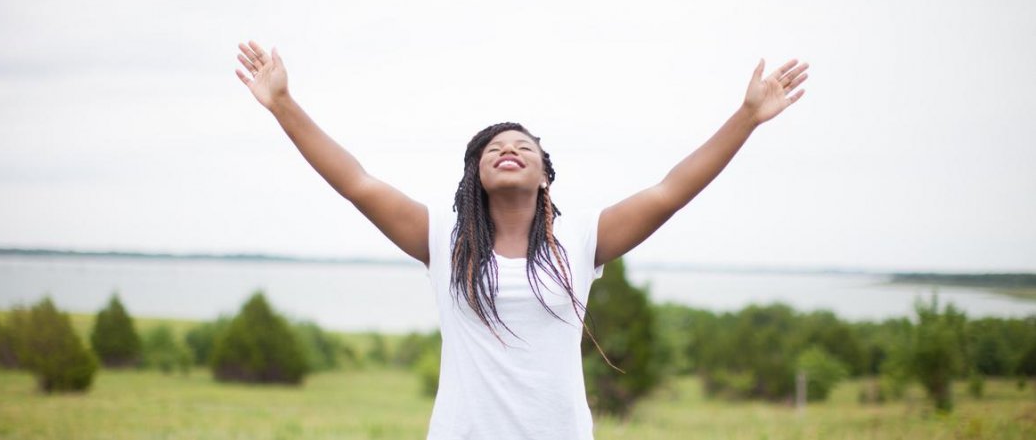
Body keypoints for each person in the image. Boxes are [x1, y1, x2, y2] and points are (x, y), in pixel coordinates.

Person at [234, 41, 808, 439]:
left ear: (544, 175)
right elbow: (356, 182)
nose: (508, 149)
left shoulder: (581, 240)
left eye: (523, 147)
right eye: (493, 149)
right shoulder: (443, 239)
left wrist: (746, 117)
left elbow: (670, 191)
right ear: (476, 175)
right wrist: (283, 104)